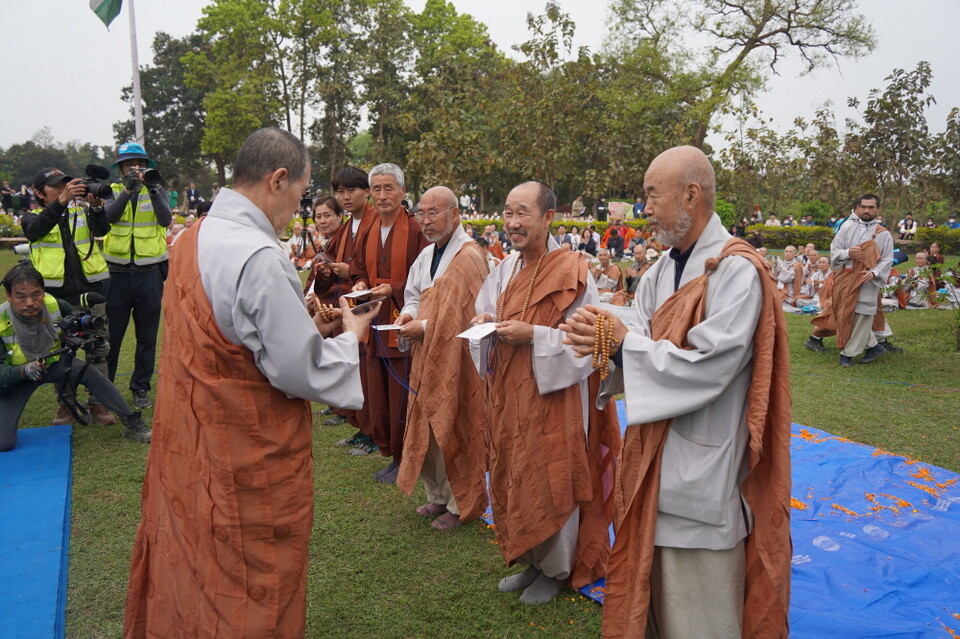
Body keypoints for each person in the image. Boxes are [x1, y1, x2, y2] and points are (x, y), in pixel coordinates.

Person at [124, 128, 379, 638]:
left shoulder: (194, 236)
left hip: (193, 445)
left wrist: (307, 329)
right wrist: (349, 336)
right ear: (277, 179)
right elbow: (297, 370)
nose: (299, 208)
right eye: (301, 194)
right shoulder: (259, 256)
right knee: (251, 581)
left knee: (195, 563)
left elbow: (237, 336)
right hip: (246, 457)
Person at [560, 146, 792, 638]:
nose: (644, 209)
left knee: (701, 617)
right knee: (653, 604)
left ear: (691, 194)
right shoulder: (663, 270)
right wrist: (602, 340)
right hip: (651, 463)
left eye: (651, 196)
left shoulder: (736, 272)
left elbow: (711, 365)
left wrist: (624, 347)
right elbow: (637, 338)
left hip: (704, 470)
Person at [469, 181, 619, 606]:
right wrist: (484, 320)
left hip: (556, 395)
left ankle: (559, 567)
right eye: (507, 213)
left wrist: (533, 334)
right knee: (518, 469)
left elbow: (585, 343)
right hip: (510, 392)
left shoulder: (572, 271)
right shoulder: (506, 268)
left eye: (523, 213)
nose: (512, 223)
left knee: (552, 475)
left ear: (548, 217)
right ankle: (534, 559)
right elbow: (487, 310)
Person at [394, 186, 490, 531]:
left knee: (455, 423)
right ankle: (437, 495)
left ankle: (462, 502)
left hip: (458, 358)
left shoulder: (470, 257)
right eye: (422, 213)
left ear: (455, 214)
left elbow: (472, 314)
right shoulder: (426, 255)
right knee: (427, 425)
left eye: (434, 212)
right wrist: (408, 317)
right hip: (426, 354)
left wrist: (425, 325)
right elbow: (412, 296)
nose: (427, 221)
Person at [0, 264, 151, 451]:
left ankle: (132, 422)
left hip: (54, 365)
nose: (30, 302)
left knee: (92, 374)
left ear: (43, 291)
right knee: (3, 443)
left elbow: (78, 332)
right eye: (21, 296)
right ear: (8, 296)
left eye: (36, 294)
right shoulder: (0, 318)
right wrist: (22, 371)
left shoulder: (56, 305)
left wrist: (98, 344)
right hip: (17, 378)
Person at [350, 163, 430, 483]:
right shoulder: (368, 229)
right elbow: (358, 268)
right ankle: (388, 449)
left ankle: (404, 456)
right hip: (373, 323)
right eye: (377, 189)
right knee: (379, 392)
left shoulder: (415, 230)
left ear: (402, 192)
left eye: (389, 188)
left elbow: (426, 278)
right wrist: (359, 284)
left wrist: (393, 289)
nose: (382, 196)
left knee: (401, 393)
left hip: (401, 321)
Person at [20, 167, 113, 425]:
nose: (63, 190)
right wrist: (61, 203)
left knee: (99, 348)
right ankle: (66, 406)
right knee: (61, 352)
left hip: (91, 290)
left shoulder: (79, 212)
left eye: (65, 185)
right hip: (55, 296)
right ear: (39, 193)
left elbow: (102, 230)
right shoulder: (32, 217)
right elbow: (35, 230)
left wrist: (95, 208)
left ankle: (99, 403)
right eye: (55, 186)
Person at [103, 142, 172, 409]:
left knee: (146, 337)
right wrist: (129, 189)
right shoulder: (113, 191)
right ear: (120, 168)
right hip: (117, 274)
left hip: (149, 274)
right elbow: (109, 216)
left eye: (140, 164)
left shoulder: (157, 189)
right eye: (130, 164)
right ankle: (105, 389)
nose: (136, 168)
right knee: (112, 337)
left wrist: (152, 189)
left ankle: (140, 387)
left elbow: (166, 220)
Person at [313, 166, 377, 435]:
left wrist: (348, 271)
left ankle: (373, 432)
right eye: (340, 191)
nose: (346, 196)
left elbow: (370, 269)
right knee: (358, 366)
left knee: (372, 374)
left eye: (352, 190)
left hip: (372, 307)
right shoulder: (351, 225)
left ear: (366, 191)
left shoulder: (375, 222)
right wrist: (330, 271)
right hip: (349, 304)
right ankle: (361, 426)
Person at [809, 194, 893, 366]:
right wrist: (848, 253)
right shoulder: (846, 226)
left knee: (863, 314)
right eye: (864, 207)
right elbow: (835, 250)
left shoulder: (883, 234)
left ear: (877, 210)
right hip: (845, 276)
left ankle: (847, 354)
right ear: (858, 208)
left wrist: (875, 272)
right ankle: (874, 346)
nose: (867, 210)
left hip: (867, 280)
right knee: (844, 310)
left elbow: (887, 259)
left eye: (871, 207)